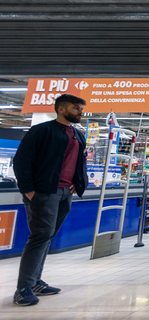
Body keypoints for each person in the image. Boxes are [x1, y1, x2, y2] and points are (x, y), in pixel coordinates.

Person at [12, 94, 88, 306]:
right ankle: (23, 289)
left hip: (65, 193)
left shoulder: (77, 134)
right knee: (40, 236)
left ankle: (35, 282)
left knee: (47, 236)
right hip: (44, 193)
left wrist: (78, 183)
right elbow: (21, 160)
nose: (80, 112)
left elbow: (78, 162)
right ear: (61, 109)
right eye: (76, 108)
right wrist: (28, 190)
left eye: (81, 108)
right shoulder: (42, 130)